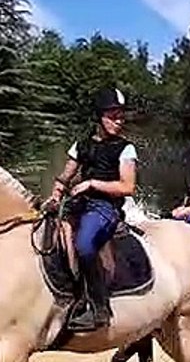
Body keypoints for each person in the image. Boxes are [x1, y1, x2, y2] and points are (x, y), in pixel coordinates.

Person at [43, 87, 138, 332]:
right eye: (113, 115)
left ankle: (99, 309)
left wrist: (92, 183)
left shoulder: (125, 149)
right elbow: (65, 177)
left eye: (121, 115)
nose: (119, 120)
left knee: (84, 244)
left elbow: (128, 187)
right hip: (79, 204)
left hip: (105, 208)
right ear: (99, 116)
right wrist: (55, 195)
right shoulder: (81, 145)